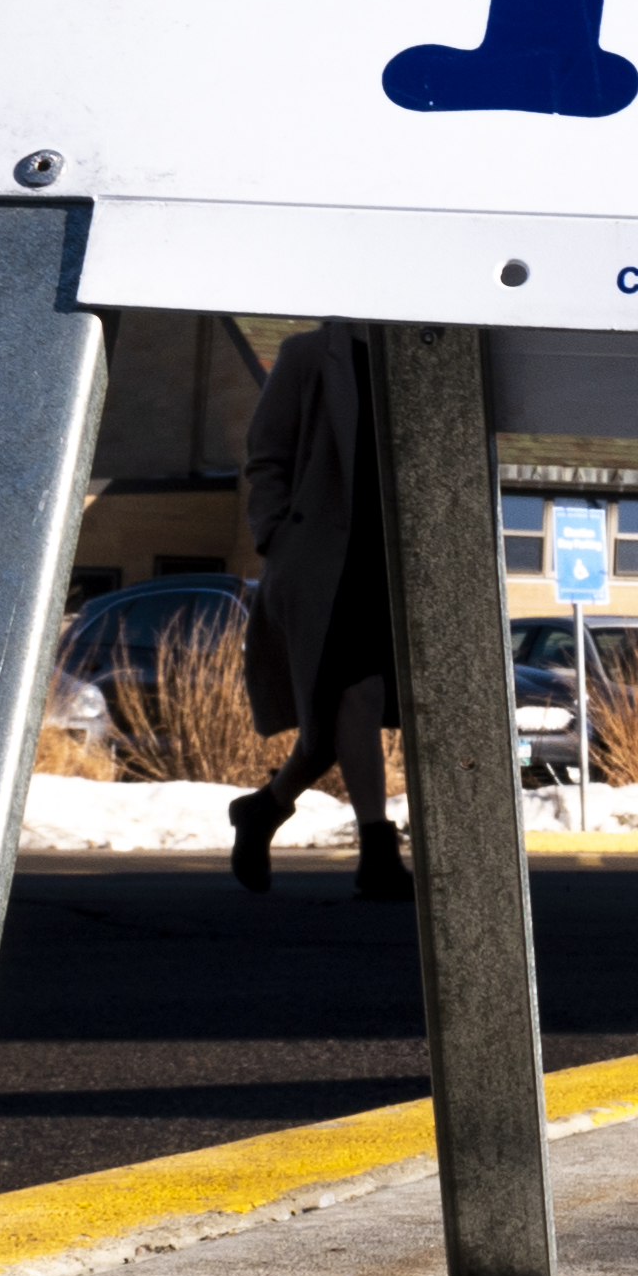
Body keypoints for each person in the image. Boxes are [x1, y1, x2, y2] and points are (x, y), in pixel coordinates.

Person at [225, 320, 405, 903]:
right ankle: (378, 851)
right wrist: (274, 536)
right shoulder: (308, 356)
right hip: (326, 563)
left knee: (330, 730)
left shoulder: (419, 355)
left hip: (395, 562)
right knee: (360, 692)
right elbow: (268, 454)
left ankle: (265, 807)